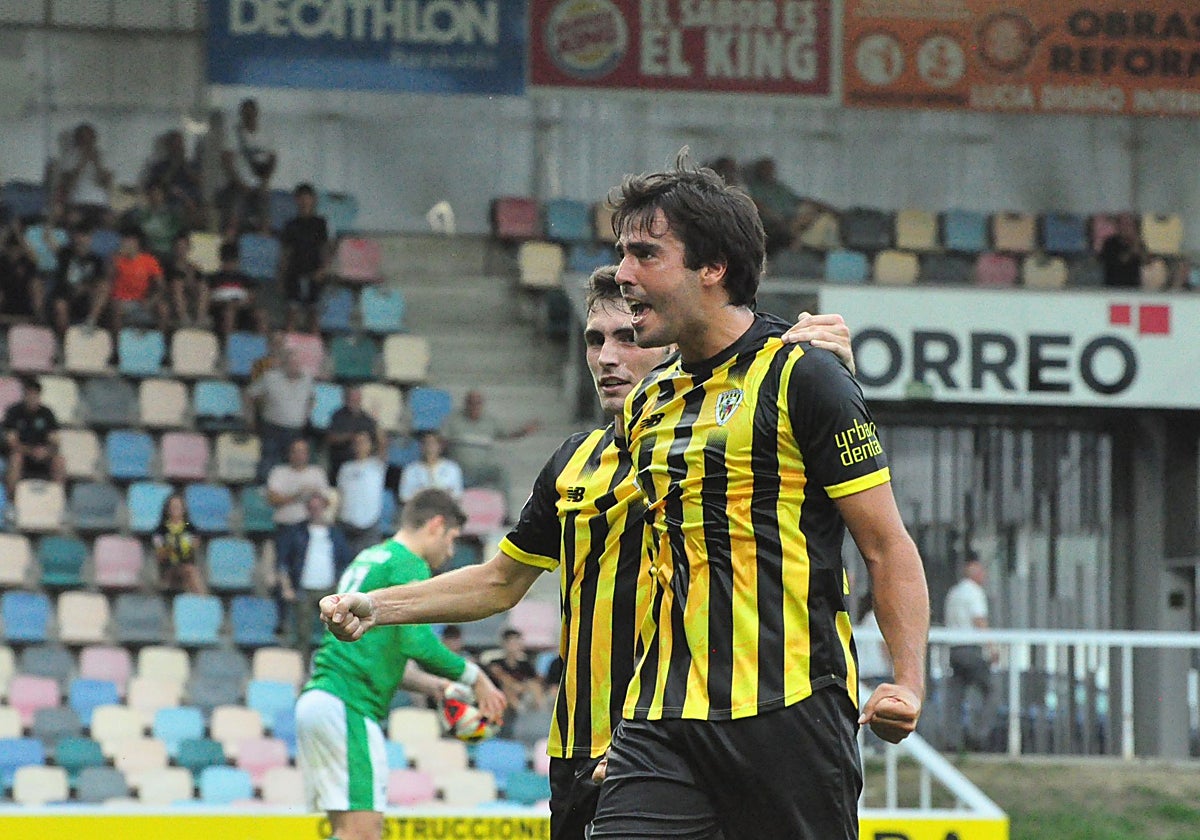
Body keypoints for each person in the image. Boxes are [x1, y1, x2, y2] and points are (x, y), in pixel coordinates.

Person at [318, 263, 858, 840]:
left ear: (673, 342)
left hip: (685, 740)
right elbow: (499, 582)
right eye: (594, 339)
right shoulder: (573, 463)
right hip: (579, 747)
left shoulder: (724, 451)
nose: (606, 357)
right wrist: (377, 607)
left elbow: (827, 501)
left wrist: (827, 375)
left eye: (627, 338)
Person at [586, 152, 928, 840]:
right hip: (664, 717)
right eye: (622, 254)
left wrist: (908, 682)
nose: (622, 275)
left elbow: (886, 546)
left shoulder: (807, 376)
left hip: (790, 706)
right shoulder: (649, 401)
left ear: (712, 267)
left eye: (645, 254)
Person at [295, 488, 507, 840]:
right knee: (364, 833)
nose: (450, 551)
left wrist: (436, 687)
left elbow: (382, 654)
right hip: (348, 704)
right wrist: (477, 677)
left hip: (323, 699)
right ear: (437, 525)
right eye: (452, 538)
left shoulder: (373, 556)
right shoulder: (408, 562)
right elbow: (417, 643)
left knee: (346, 830)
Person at [277, 492, 355, 660]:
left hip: (330, 589)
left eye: (319, 507)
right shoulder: (296, 531)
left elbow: (345, 563)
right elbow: (283, 561)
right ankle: (300, 669)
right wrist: (286, 587)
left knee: (334, 634)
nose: (316, 511)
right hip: (303, 588)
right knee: (301, 634)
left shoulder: (335, 533)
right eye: (312, 508)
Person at [943, 552, 996, 752]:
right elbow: (979, 620)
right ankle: (979, 735)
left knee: (955, 697)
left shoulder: (953, 593)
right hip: (971, 649)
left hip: (954, 650)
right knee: (991, 691)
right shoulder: (974, 592)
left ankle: (951, 739)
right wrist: (991, 647)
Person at [443, 389, 540, 497]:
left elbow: (507, 435)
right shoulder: (453, 420)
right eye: (471, 403)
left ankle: (505, 512)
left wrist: (524, 431)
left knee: (501, 473)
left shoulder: (490, 422)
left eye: (478, 403)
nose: (474, 406)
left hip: (482, 470)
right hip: (459, 470)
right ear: (465, 404)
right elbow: (440, 441)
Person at [247, 348, 316, 481]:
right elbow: (250, 394)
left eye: (297, 363)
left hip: (296, 431)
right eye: (291, 362)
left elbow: (311, 399)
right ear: (284, 363)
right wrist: (250, 417)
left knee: (293, 468)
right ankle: (264, 495)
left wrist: (305, 415)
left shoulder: (307, 379)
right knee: (268, 467)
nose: (295, 366)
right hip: (273, 429)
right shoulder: (270, 377)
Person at [217, 98, 276, 233]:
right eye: (245, 113)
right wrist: (239, 183)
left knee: (265, 217)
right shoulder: (233, 134)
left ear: (256, 113)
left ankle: (263, 240)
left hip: (259, 184)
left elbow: (272, 159)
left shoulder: (265, 133)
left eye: (251, 113)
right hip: (239, 185)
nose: (248, 116)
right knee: (233, 218)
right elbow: (227, 161)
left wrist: (265, 181)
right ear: (241, 114)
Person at [278, 182, 330, 332]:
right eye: (301, 198)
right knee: (292, 312)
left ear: (313, 199)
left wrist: (323, 269)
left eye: (308, 197)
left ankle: (314, 349)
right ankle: (289, 346)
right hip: (294, 272)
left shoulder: (321, 223)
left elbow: (325, 248)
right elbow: (286, 252)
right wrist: (281, 276)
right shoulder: (290, 224)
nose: (305, 201)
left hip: (315, 272)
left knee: (314, 313)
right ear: (296, 200)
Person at [98, 225, 169, 334]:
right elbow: (107, 278)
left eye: (126, 240)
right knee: (116, 308)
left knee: (163, 309)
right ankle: (118, 343)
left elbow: (161, 286)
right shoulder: (116, 258)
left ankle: (160, 342)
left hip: (142, 301)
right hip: (122, 301)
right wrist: (115, 259)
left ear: (135, 242)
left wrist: (151, 301)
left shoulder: (149, 260)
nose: (123, 243)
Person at [266, 437, 330, 556]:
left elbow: (326, 502)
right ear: (289, 453)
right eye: (295, 451)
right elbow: (272, 499)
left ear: (307, 454)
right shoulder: (278, 472)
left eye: (302, 451)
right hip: (285, 526)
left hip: (309, 528)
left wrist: (314, 496)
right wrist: (297, 496)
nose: (299, 455)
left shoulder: (317, 472)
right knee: (283, 566)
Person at [3, 377, 65, 495]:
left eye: (35, 395)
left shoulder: (47, 413)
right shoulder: (14, 412)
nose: (32, 398)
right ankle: (12, 498)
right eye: (29, 394)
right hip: (24, 454)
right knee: (16, 459)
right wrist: (32, 451)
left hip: (43, 455)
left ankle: (58, 498)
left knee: (60, 461)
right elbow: (12, 442)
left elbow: (55, 441)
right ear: (24, 395)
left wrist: (46, 451)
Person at [481, 628, 547, 737]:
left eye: (517, 642)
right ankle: (518, 712)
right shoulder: (495, 663)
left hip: (523, 696)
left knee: (533, 685)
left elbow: (535, 682)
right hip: (500, 698)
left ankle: (540, 715)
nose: (514, 645)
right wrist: (515, 686)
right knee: (507, 688)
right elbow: (500, 679)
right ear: (504, 644)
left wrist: (522, 687)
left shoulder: (525, 665)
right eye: (511, 642)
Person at [335, 430, 388, 556]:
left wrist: (376, 425)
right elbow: (340, 494)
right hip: (347, 523)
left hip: (370, 523)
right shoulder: (345, 468)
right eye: (357, 442)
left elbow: (383, 445)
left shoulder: (377, 465)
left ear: (371, 445)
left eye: (364, 442)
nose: (360, 445)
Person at [50, 224, 107, 334]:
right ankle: (64, 338)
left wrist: (85, 287)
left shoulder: (96, 260)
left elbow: (99, 282)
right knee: (60, 306)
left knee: (104, 287)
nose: (81, 240)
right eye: (79, 236)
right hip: (65, 294)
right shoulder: (65, 253)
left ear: (90, 239)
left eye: (85, 236)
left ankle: (91, 321)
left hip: (86, 295)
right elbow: (49, 241)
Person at [207, 239, 267, 338]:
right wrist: (226, 303)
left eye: (232, 260)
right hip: (220, 309)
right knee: (229, 312)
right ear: (222, 260)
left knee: (261, 314)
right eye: (227, 260)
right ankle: (229, 346)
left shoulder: (245, 279)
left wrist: (239, 304)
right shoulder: (213, 278)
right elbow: (208, 298)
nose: (230, 264)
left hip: (242, 309)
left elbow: (251, 298)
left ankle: (261, 346)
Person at [57, 123, 112, 227]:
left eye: (90, 138)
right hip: (78, 202)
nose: (87, 141)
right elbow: (68, 184)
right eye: (84, 137)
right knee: (73, 220)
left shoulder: (103, 156)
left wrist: (97, 163)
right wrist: (82, 162)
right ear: (78, 139)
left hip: (100, 203)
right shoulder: (69, 157)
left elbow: (107, 183)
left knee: (108, 221)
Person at [325, 386, 382, 485]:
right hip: (340, 462)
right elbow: (330, 438)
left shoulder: (367, 419)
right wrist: (349, 437)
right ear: (346, 399)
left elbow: (376, 441)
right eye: (352, 397)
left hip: (362, 466)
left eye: (357, 397)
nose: (354, 400)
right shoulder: (337, 416)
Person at [152, 492, 207, 595]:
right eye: (173, 507)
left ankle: (202, 601)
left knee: (190, 570)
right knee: (190, 571)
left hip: (186, 566)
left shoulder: (189, 528)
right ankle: (203, 600)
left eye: (178, 507)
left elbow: (194, 547)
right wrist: (170, 550)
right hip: (168, 569)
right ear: (167, 509)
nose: (176, 509)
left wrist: (190, 547)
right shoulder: (161, 530)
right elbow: (159, 554)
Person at [398, 430, 463, 503]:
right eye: (426, 443)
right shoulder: (411, 469)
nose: (430, 447)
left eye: (433, 443)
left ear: (440, 446)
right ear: (421, 447)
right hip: (419, 509)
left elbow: (457, 495)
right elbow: (404, 496)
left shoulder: (452, 468)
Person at [163, 231, 210, 327]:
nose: (181, 250)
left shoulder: (194, 268)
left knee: (203, 286)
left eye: (184, 247)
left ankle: (200, 318)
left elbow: (198, 286)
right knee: (177, 284)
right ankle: (183, 318)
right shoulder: (167, 267)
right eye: (179, 247)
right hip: (173, 300)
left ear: (189, 248)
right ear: (174, 248)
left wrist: (190, 278)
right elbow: (164, 286)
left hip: (191, 299)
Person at [0, 232, 43, 323]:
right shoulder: (2, 264)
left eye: (17, 249)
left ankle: (38, 316)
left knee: (36, 285)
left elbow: (35, 285)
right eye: (11, 249)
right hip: (6, 303)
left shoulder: (28, 264)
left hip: (25, 302)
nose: (14, 252)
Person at [1100, 213, 1144, 289]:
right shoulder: (1110, 243)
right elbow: (1119, 262)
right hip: (1114, 286)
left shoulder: (1136, 242)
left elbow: (1147, 261)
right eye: (1123, 224)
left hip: (1134, 286)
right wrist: (1132, 250)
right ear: (1118, 226)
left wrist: (1138, 247)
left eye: (1129, 225)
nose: (1126, 228)